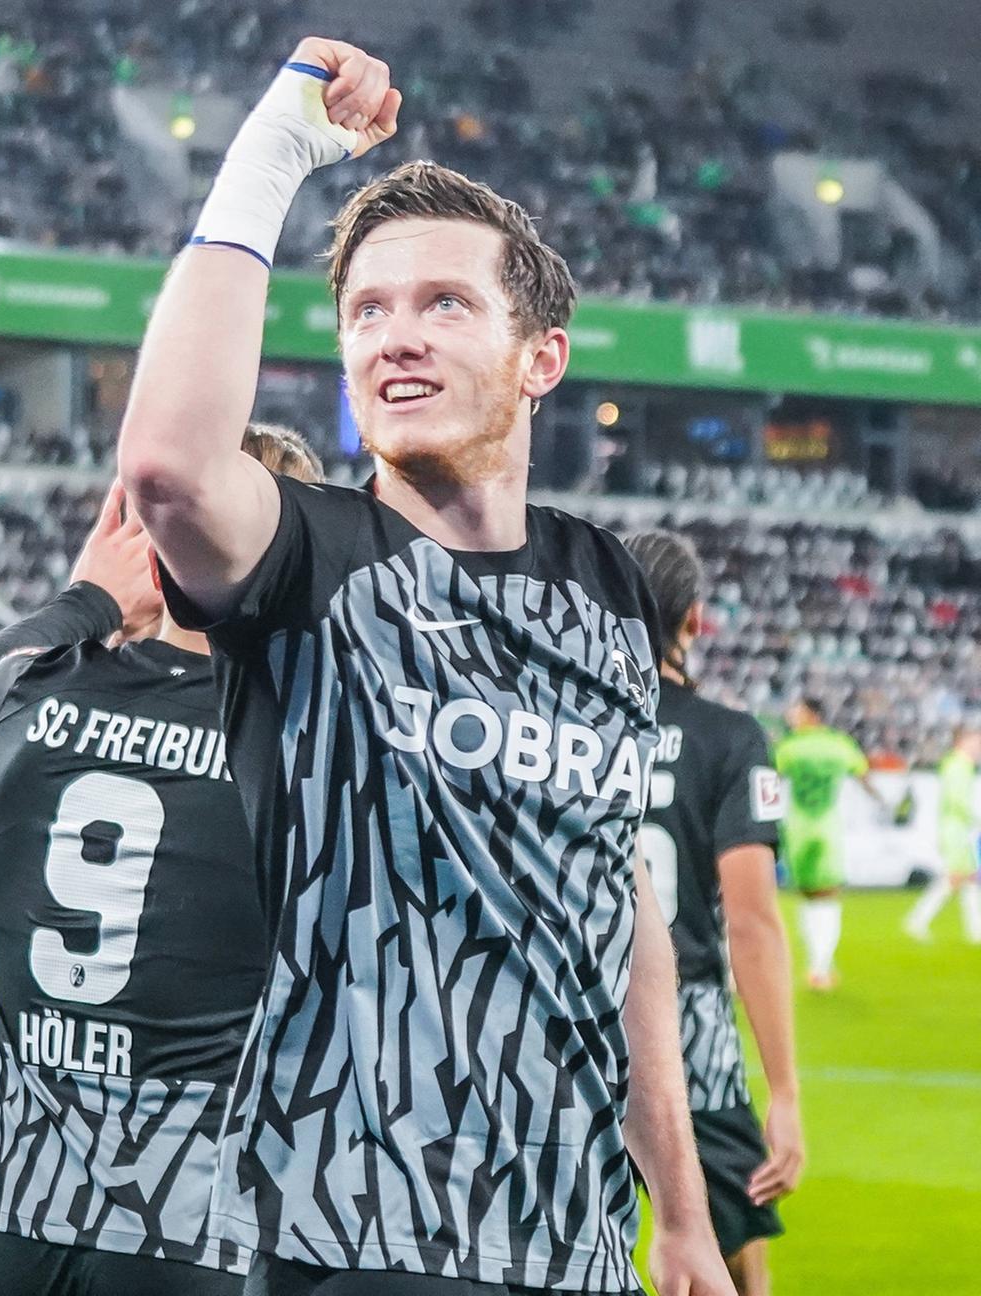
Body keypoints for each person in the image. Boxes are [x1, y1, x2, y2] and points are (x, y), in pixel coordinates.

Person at [119, 37, 733, 1296]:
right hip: (354, 1234)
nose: (395, 338)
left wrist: (682, 1213)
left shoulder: (606, 583)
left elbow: (618, 902)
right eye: (367, 312)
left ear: (541, 357)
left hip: (577, 1241)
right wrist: (275, 151)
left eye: (444, 303)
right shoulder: (307, 559)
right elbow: (170, 471)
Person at [0, 426, 323, 1296]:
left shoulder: (29, 695)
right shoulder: (295, 734)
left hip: (12, 1209)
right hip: (188, 1221)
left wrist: (88, 599)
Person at [626, 531, 803, 1296]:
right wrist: (785, 1093)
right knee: (726, 1262)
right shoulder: (731, 738)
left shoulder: (566, 725)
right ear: (695, 620)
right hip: (686, 1023)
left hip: (569, 1020)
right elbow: (753, 923)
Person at [774, 697, 882, 990]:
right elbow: (864, 777)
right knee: (828, 895)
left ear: (812, 714)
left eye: (797, 712)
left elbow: (771, 781)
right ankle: (820, 966)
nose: (792, 716)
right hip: (827, 826)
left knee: (808, 895)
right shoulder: (840, 745)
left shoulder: (789, 747)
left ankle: (817, 962)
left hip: (797, 826)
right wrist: (883, 802)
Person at [904, 726, 981, 943]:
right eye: (975, 742)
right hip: (955, 829)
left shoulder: (959, 765)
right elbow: (956, 800)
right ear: (962, 742)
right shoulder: (957, 765)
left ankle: (975, 929)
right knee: (955, 877)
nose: (978, 747)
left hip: (959, 828)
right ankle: (916, 921)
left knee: (969, 878)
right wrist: (976, 819)